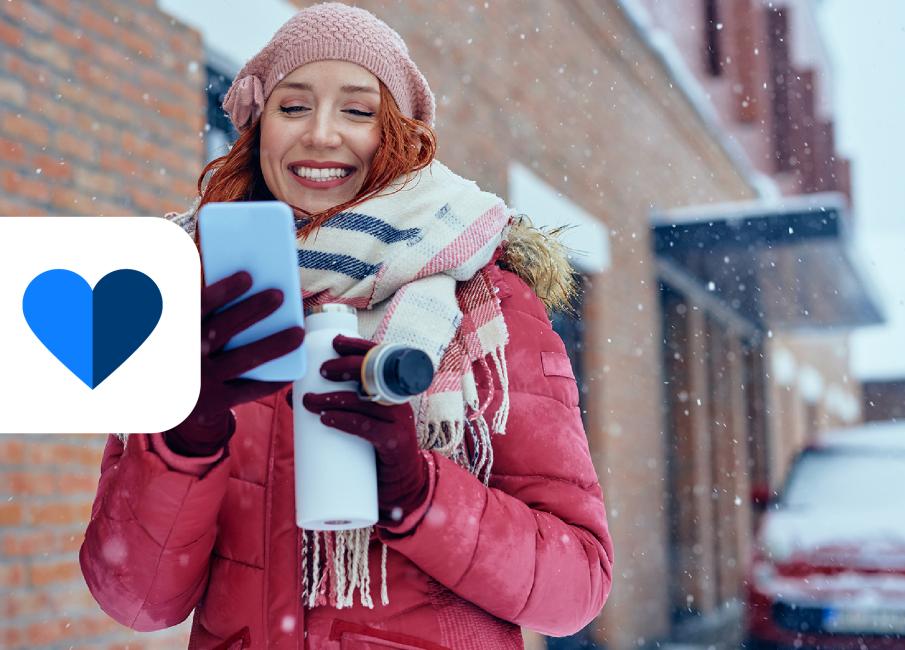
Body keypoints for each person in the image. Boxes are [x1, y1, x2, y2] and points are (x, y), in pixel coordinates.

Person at [78, 4, 613, 649]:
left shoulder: (488, 305)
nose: (322, 136)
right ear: (256, 129)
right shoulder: (193, 301)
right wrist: (186, 435)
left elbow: (576, 587)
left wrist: (418, 493)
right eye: (293, 107)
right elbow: (135, 599)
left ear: (399, 135)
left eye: (358, 111)